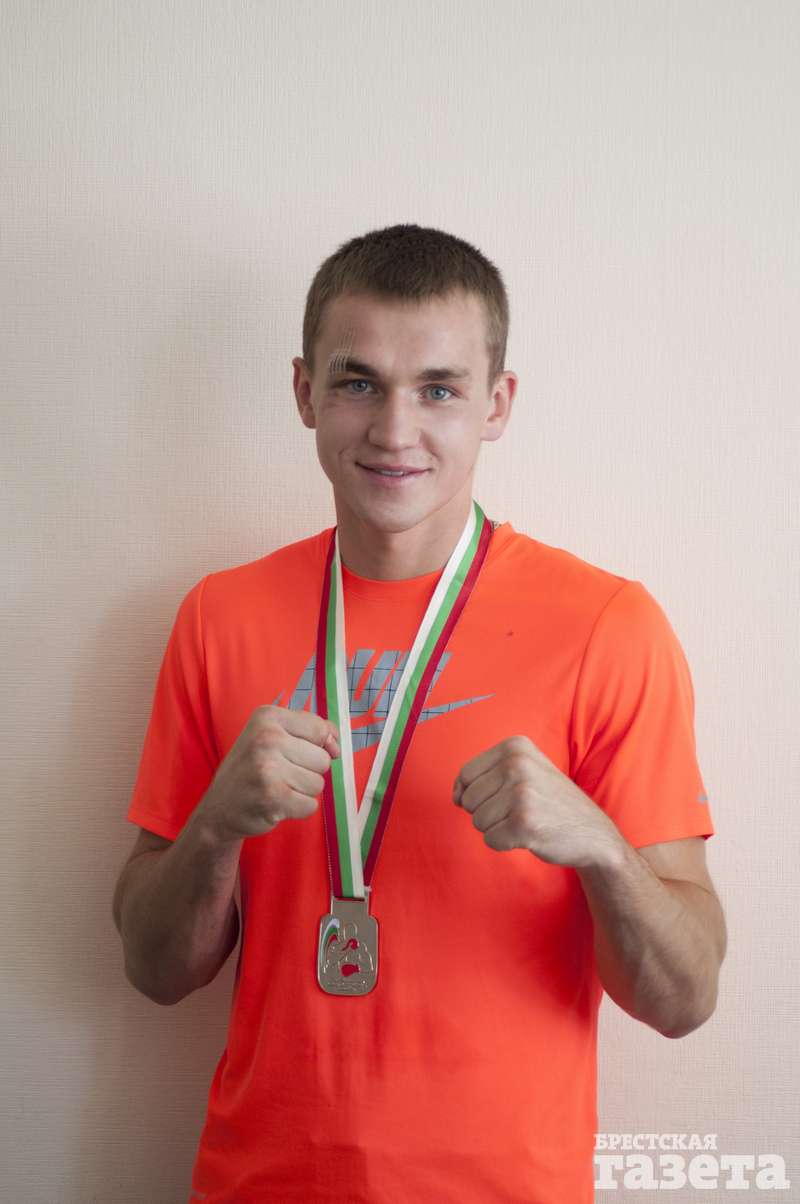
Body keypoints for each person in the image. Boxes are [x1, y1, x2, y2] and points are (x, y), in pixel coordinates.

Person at [112, 223, 727, 1204]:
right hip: (258, 1184)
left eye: (438, 389)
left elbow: (683, 998)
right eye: (358, 382)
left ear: (497, 403)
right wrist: (214, 827)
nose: (395, 430)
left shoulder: (607, 626)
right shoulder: (217, 617)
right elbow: (155, 968)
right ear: (305, 392)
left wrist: (603, 849)